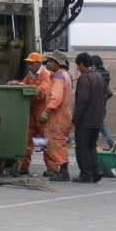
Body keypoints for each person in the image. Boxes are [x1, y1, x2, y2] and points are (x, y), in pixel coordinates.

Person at [10, 52, 52, 175]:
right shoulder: (31, 75)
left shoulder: (45, 75)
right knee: (28, 141)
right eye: (28, 63)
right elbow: (25, 84)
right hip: (32, 112)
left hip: (42, 112)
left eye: (31, 63)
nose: (29, 65)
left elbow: (43, 91)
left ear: (39, 63)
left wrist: (27, 87)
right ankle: (23, 168)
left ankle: (53, 168)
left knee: (46, 141)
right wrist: (18, 84)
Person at [71, 52, 106, 183]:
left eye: (78, 65)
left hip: (85, 120)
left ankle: (85, 173)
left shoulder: (84, 78)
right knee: (92, 145)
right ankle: (97, 171)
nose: (78, 68)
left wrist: (75, 118)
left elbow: (82, 100)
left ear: (81, 64)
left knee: (82, 148)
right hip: (97, 119)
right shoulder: (99, 76)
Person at [40, 50, 73, 181]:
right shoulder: (65, 75)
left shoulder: (59, 78)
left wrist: (48, 111)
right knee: (60, 143)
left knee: (58, 143)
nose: (48, 64)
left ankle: (64, 172)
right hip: (64, 115)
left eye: (51, 61)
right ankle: (61, 170)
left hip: (58, 115)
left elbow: (56, 98)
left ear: (57, 63)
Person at [92, 55, 116, 152]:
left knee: (98, 124)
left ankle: (110, 141)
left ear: (94, 64)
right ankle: (110, 142)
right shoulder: (106, 73)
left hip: (95, 104)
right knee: (99, 124)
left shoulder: (95, 74)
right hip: (103, 103)